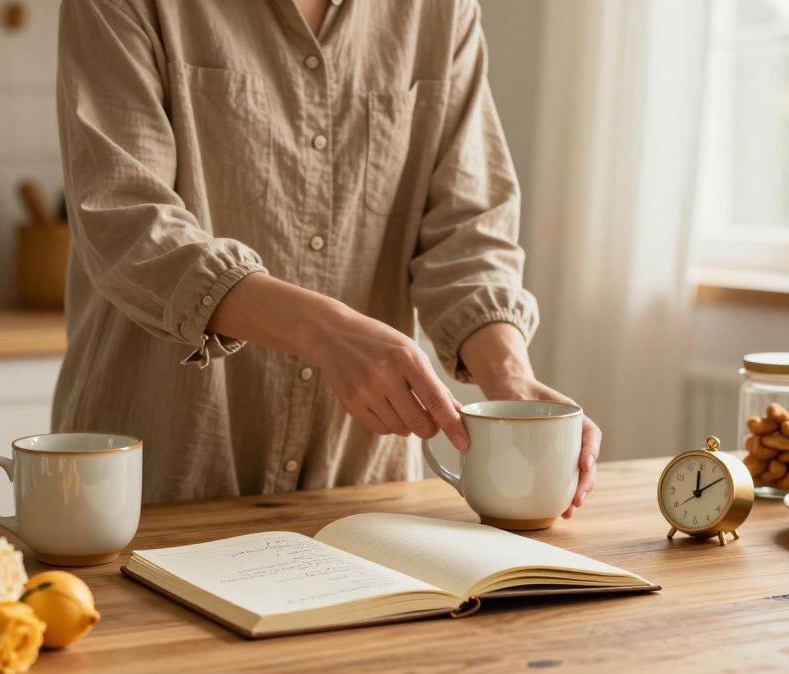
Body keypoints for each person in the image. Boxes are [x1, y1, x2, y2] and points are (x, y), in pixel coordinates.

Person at [52, 0, 600, 515]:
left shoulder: (440, 10)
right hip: (149, 489)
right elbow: (126, 221)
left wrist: (510, 380)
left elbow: (468, 230)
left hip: (361, 497)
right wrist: (327, 332)